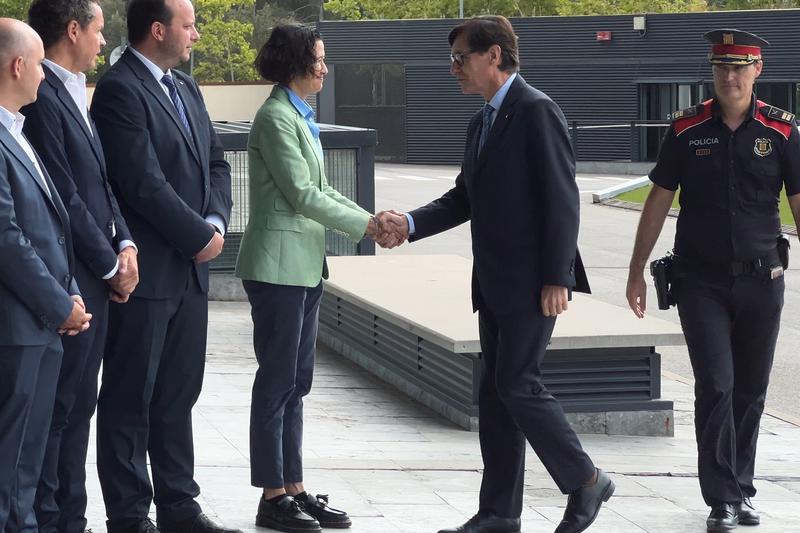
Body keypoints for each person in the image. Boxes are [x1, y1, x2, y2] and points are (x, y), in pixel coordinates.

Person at [377, 15, 613, 533]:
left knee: (518, 383)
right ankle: (501, 514)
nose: (453, 69)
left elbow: (561, 199)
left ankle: (586, 480)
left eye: (461, 58)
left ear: (494, 56)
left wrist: (557, 276)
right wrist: (409, 223)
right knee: (496, 393)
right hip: (494, 282)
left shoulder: (536, 111)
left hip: (533, 283)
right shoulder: (483, 120)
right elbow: (465, 198)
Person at [625, 29, 800, 533]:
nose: (730, 76)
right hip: (700, 281)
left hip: (763, 280)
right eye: (721, 67)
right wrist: (636, 270)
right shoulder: (685, 129)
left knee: (751, 390)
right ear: (713, 72)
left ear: (757, 70)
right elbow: (658, 199)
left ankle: (742, 488)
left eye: (740, 66)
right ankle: (721, 498)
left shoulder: (783, 132)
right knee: (717, 386)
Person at [89, 0, 235, 530]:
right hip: (147, 275)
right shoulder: (121, 89)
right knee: (131, 397)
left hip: (191, 273)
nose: (196, 34)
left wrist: (215, 222)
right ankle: (129, 516)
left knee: (178, 395)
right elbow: (141, 183)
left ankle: (179, 506)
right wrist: (197, 236)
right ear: (158, 29)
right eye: (189, 25)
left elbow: (217, 163)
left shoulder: (187, 87)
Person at [234, 23, 383, 533]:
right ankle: (271, 495)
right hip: (276, 268)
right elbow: (302, 195)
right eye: (318, 59)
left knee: (297, 383)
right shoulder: (275, 118)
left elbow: (323, 189)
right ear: (297, 63)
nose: (324, 67)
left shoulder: (301, 116)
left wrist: (370, 218)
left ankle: (293, 486)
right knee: (276, 383)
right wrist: (368, 225)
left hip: (302, 266)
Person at [23, 2, 139, 530]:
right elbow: (64, 194)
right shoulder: (41, 96)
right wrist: (108, 265)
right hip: (71, 279)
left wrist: (126, 245)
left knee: (78, 409)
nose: (102, 40)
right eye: (97, 29)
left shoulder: (72, 91)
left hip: (98, 273)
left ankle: (72, 515)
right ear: (73, 30)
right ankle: (55, 519)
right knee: (61, 411)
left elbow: (102, 181)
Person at [0, 17, 92, 532]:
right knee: (9, 472)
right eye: (37, 65)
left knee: (26, 471)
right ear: (17, 66)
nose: (43, 76)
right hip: (17, 333)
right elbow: (7, 239)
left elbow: (49, 229)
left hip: (40, 329)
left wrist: (69, 295)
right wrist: (60, 305)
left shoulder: (18, 132)